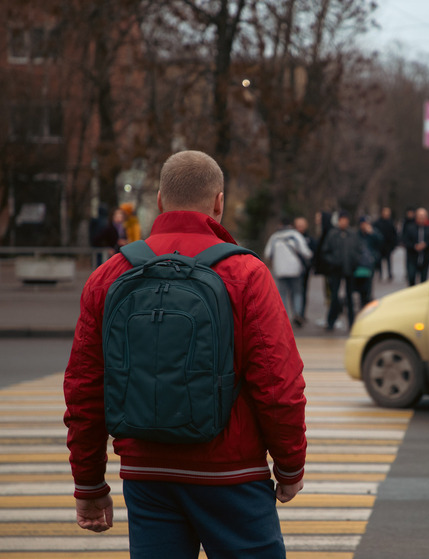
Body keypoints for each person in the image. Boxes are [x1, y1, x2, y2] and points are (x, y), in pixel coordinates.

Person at [63, 150, 306, 558]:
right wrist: (289, 465)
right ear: (219, 202)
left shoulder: (110, 275)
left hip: (147, 476)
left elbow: (85, 387)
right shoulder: (247, 275)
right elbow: (277, 383)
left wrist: (89, 483)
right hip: (232, 476)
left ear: (159, 200)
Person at [264, 215, 313, 327]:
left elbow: (267, 253)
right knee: (297, 293)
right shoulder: (295, 235)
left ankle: (283, 316)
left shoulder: (274, 237)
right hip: (295, 270)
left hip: (280, 271)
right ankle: (297, 314)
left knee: (282, 294)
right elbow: (306, 252)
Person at [321, 210, 363, 331]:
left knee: (350, 298)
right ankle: (331, 321)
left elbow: (359, 249)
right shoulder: (333, 234)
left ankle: (351, 323)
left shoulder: (353, 234)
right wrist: (333, 261)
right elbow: (325, 251)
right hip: (336, 270)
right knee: (334, 297)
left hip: (350, 269)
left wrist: (355, 261)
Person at [401, 207, 429, 286]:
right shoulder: (410, 228)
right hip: (412, 257)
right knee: (411, 277)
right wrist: (414, 246)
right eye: (420, 217)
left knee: (424, 279)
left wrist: (426, 244)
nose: (421, 219)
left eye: (423, 217)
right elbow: (405, 240)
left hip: (425, 257)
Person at [354, 216, 383, 310]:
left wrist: (372, 234)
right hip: (359, 264)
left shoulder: (373, 233)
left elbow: (381, 243)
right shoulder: (357, 235)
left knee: (368, 286)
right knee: (359, 286)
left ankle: (366, 302)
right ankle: (362, 303)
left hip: (370, 263)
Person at [294, 216, 317, 322]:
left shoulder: (309, 239)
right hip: (293, 270)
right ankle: (297, 313)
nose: (300, 228)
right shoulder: (292, 238)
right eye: (298, 226)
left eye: (302, 226)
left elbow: (312, 253)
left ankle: (301, 313)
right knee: (295, 292)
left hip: (305, 269)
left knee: (303, 292)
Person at [372, 207, 397, 281]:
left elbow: (394, 234)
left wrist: (393, 244)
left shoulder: (390, 222)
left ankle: (389, 273)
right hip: (380, 245)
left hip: (388, 245)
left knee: (389, 260)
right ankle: (380, 274)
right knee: (379, 261)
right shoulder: (377, 223)